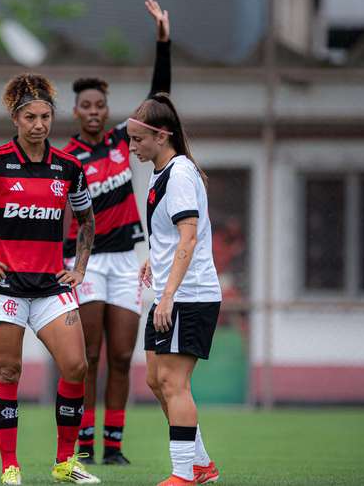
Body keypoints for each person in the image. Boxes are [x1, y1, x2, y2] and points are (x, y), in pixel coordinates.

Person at [0, 74, 100, 485]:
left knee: (76, 365)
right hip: (5, 287)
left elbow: (86, 220)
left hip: (51, 287)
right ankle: (10, 465)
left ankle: (65, 463)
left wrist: (79, 267)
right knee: (9, 372)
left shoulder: (68, 167)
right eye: (30, 116)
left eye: (46, 116)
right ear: (15, 118)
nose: (39, 124)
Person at [63, 0, 171, 466]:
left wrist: (162, 41)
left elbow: (160, 98)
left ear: (108, 112)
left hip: (127, 260)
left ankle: (113, 445)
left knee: (124, 356)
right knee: (88, 354)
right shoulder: (64, 158)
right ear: (75, 111)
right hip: (85, 263)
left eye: (100, 105)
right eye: (85, 105)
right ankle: (83, 441)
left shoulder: (120, 142)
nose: (93, 111)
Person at [127, 93, 222, 486]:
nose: (132, 147)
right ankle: (202, 464)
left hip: (188, 296)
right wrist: (154, 257)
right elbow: (171, 236)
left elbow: (189, 237)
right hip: (171, 294)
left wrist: (167, 296)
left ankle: (184, 475)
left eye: (138, 139)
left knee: (173, 383)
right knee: (155, 379)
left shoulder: (180, 174)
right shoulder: (160, 171)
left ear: (162, 135)